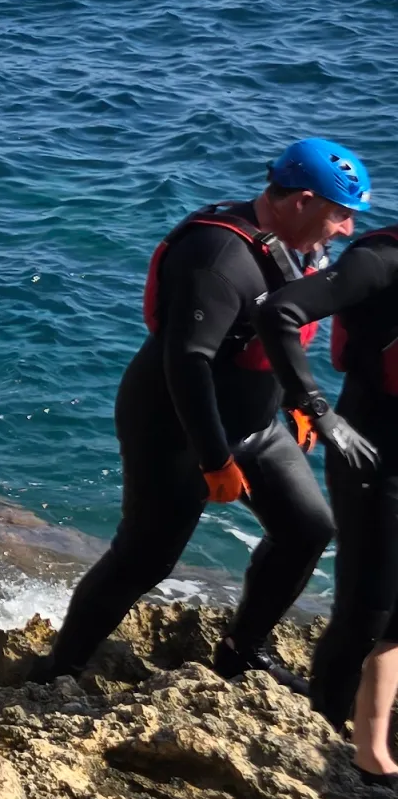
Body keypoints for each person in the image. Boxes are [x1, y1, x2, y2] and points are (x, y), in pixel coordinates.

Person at [42, 138, 369, 684]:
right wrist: (215, 460)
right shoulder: (217, 258)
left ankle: (241, 651)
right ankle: (57, 671)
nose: (346, 230)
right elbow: (188, 362)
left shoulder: (298, 245)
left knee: (308, 528)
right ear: (301, 201)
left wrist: (299, 399)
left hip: (256, 423)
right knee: (144, 560)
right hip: (174, 424)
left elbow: (285, 330)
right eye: (339, 215)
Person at [255, 197, 392, 767]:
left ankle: (375, 743)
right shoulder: (381, 261)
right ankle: (330, 731)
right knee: (369, 608)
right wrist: (315, 407)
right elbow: (279, 311)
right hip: (375, 452)